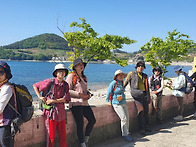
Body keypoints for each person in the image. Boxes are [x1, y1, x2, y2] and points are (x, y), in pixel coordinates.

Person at [33, 63, 70, 147]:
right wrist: (40, 97)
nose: (61, 73)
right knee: (51, 137)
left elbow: (66, 99)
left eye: (63, 71)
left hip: (61, 113)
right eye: (59, 71)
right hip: (50, 114)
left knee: (63, 136)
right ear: (56, 73)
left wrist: (53, 100)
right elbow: (35, 85)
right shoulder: (50, 82)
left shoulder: (65, 85)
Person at [66, 58, 96, 147]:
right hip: (75, 103)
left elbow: (84, 90)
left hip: (84, 103)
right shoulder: (71, 76)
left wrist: (88, 94)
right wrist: (79, 95)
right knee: (80, 123)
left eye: (82, 64)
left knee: (92, 120)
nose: (81, 66)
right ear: (75, 67)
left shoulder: (84, 77)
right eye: (79, 65)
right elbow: (67, 90)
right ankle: (82, 144)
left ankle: (86, 139)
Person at [124, 60, 151, 136]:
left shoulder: (145, 76)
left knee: (146, 111)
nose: (140, 67)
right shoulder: (131, 73)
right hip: (136, 94)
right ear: (136, 67)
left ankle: (146, 126)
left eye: (142, 66)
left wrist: (149, 96)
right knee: (141, 111)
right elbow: (125, 82)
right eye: (139, 66)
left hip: (144, 94)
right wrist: (120, 91)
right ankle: (141, 128)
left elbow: (147, 87)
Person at [106, 70, 134, 142]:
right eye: (119, 75)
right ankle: (125, 135)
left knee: (127, 118)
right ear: (116, 76)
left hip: (123, 102)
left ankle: (127, 132)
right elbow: (109, 92)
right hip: (116, 103)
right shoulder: (113, 83)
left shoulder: (121, 83)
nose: (121, 76)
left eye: (122, 75)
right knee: (123, 118)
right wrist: (107, 101)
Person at [0, 61, 15, 147]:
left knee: (4, 144)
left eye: (1, 72)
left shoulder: (6, 88)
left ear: (6, 74)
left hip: (5, 123)